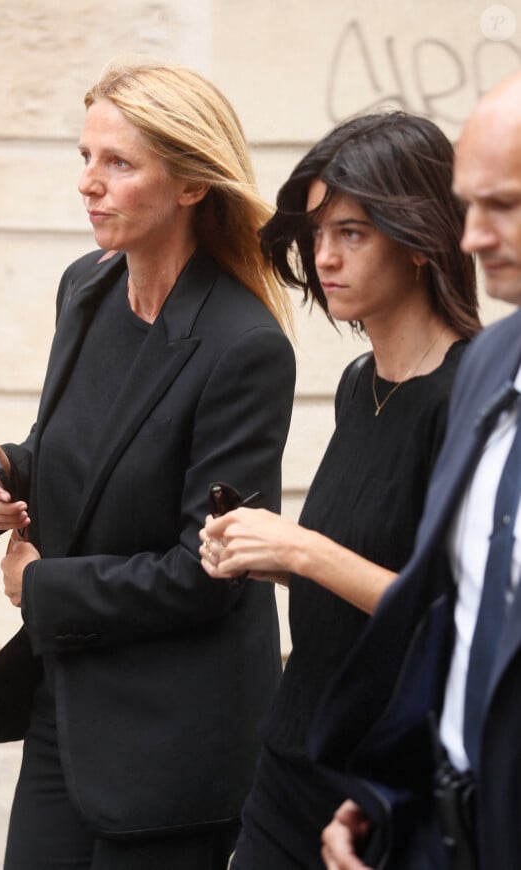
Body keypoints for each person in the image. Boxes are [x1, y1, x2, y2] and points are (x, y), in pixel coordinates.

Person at [0, 59, 296, 870]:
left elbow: (208, 570)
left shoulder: (245, 349)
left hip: (173, 741)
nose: (89, 184)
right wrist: (6, 477)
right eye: (84, 158)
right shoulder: (87, 287)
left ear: (188, 185)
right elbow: (83, 447)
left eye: (118, 163)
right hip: (64, 706)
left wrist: (40, 587)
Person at [199, 112, 480, 869]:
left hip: (386, 786)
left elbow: (453, 618)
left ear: (420, 238)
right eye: (319, 232)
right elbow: (359, 556)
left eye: (353, 232)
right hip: (291, 757)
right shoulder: (362, 385)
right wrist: (271, 553)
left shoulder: (472, 400)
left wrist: (306, 549)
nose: (324, 255)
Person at [313, 69, 521, 870]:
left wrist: (300, 554)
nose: (470, 236)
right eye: (467, 207)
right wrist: (388, 795)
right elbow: (453, 618)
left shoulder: (457, 370)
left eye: (501, 205)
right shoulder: (493, 365)